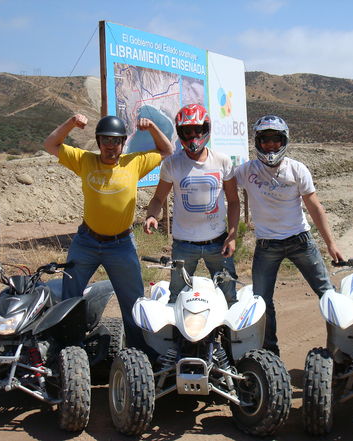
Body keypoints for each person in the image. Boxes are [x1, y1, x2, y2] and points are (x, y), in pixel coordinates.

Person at [43, 113, 173, 351]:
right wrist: (71, 123)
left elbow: (167, 150)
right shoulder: (85, 160)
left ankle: (138, 354)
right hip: (86, 242)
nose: (110, 146)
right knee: (70, 299)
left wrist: (152, 127)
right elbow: (51, 144)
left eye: (116, 141)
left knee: (133, 303)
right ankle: (70, 352)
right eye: (105, 140)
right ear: (98, 141)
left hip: (121, 246)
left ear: (123, 143)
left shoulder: (134, 162)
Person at [234, 114, 344, 356]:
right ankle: (269, 354)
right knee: (261, 301)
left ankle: (340, 350)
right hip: (267, 245)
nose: (270, 145)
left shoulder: (297, 169)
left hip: (300, 241)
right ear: (257, 142)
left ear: (284, 141)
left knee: (328, 294)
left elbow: (315, 207)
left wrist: (331, 244)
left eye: (276, 140)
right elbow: (222, 182)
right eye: (265, 140)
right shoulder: (246, 171)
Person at [143, 104, 239, 304]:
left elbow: (233, 201)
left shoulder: (222, 161)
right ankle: (179, 336)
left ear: (206, 130)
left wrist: (232, 236)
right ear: (180, 132)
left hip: (218, 242)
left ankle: (231, 335)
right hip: (184, 244)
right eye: (188, 130)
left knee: (229, 296)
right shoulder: (171, 163)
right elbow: (159, 198)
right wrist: (151, 215)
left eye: (198, 130)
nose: (193, 135)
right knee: (177, 297)